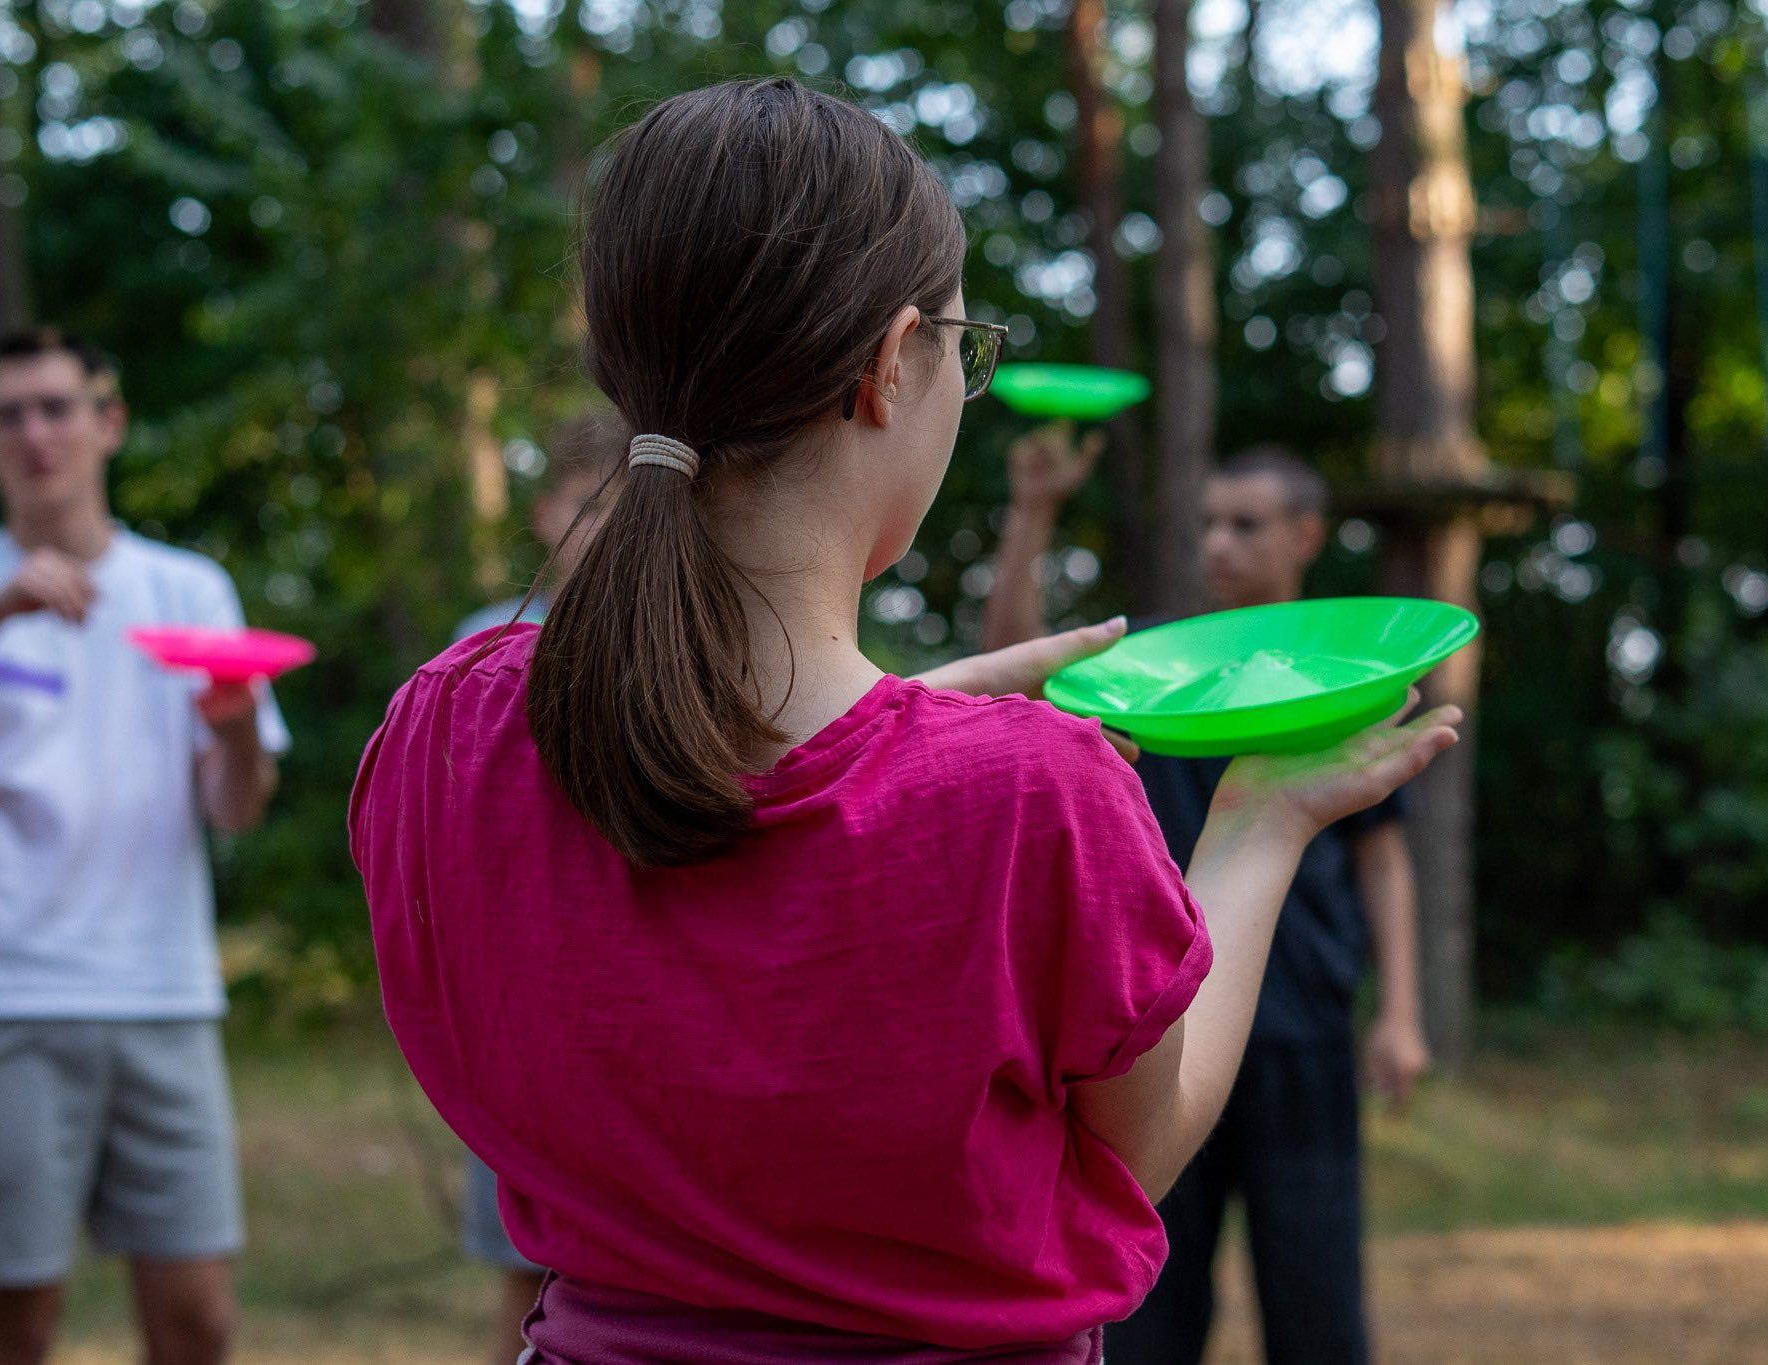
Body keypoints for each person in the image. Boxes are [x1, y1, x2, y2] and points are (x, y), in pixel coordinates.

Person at [350, 78, 1460, 1363]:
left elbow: (704, 822)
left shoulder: (444, 733)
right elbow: (1135, 1151)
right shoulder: (1030, 795)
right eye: (961, 347)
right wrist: (1260, 823)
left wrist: (903, 730)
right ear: (888, 365)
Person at [984, 438, 1430, 1365]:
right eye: (1210, 524)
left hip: (1304, 1033)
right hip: (1160, 1039)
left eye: (1246, 524)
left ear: (1306, 536)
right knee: (1148, 1322)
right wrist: (1033, 513)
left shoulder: (1346, 679)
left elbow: (1384, 859)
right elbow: (1016, 662)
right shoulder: (1157, 667)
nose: (1219, 544)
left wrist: (1400, 1011)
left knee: (1317, 1309)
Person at [0, 328, 288, 1365]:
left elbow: (237, 808)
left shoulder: (188, 591)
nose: (35, 433)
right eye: (9, 413)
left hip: (163, 990)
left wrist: (238, 721)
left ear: (107, 423)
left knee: (198, 1319)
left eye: (56, 406)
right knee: (14, 1320)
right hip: (9, 994)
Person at [448, 408, 625, 1362]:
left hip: (636, 1007)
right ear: (543, 511)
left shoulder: (688, 641)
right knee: (527, 1277)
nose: (602, 526)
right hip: (521, 1014)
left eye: (627, 505)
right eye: (584, 502)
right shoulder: (487, 643)